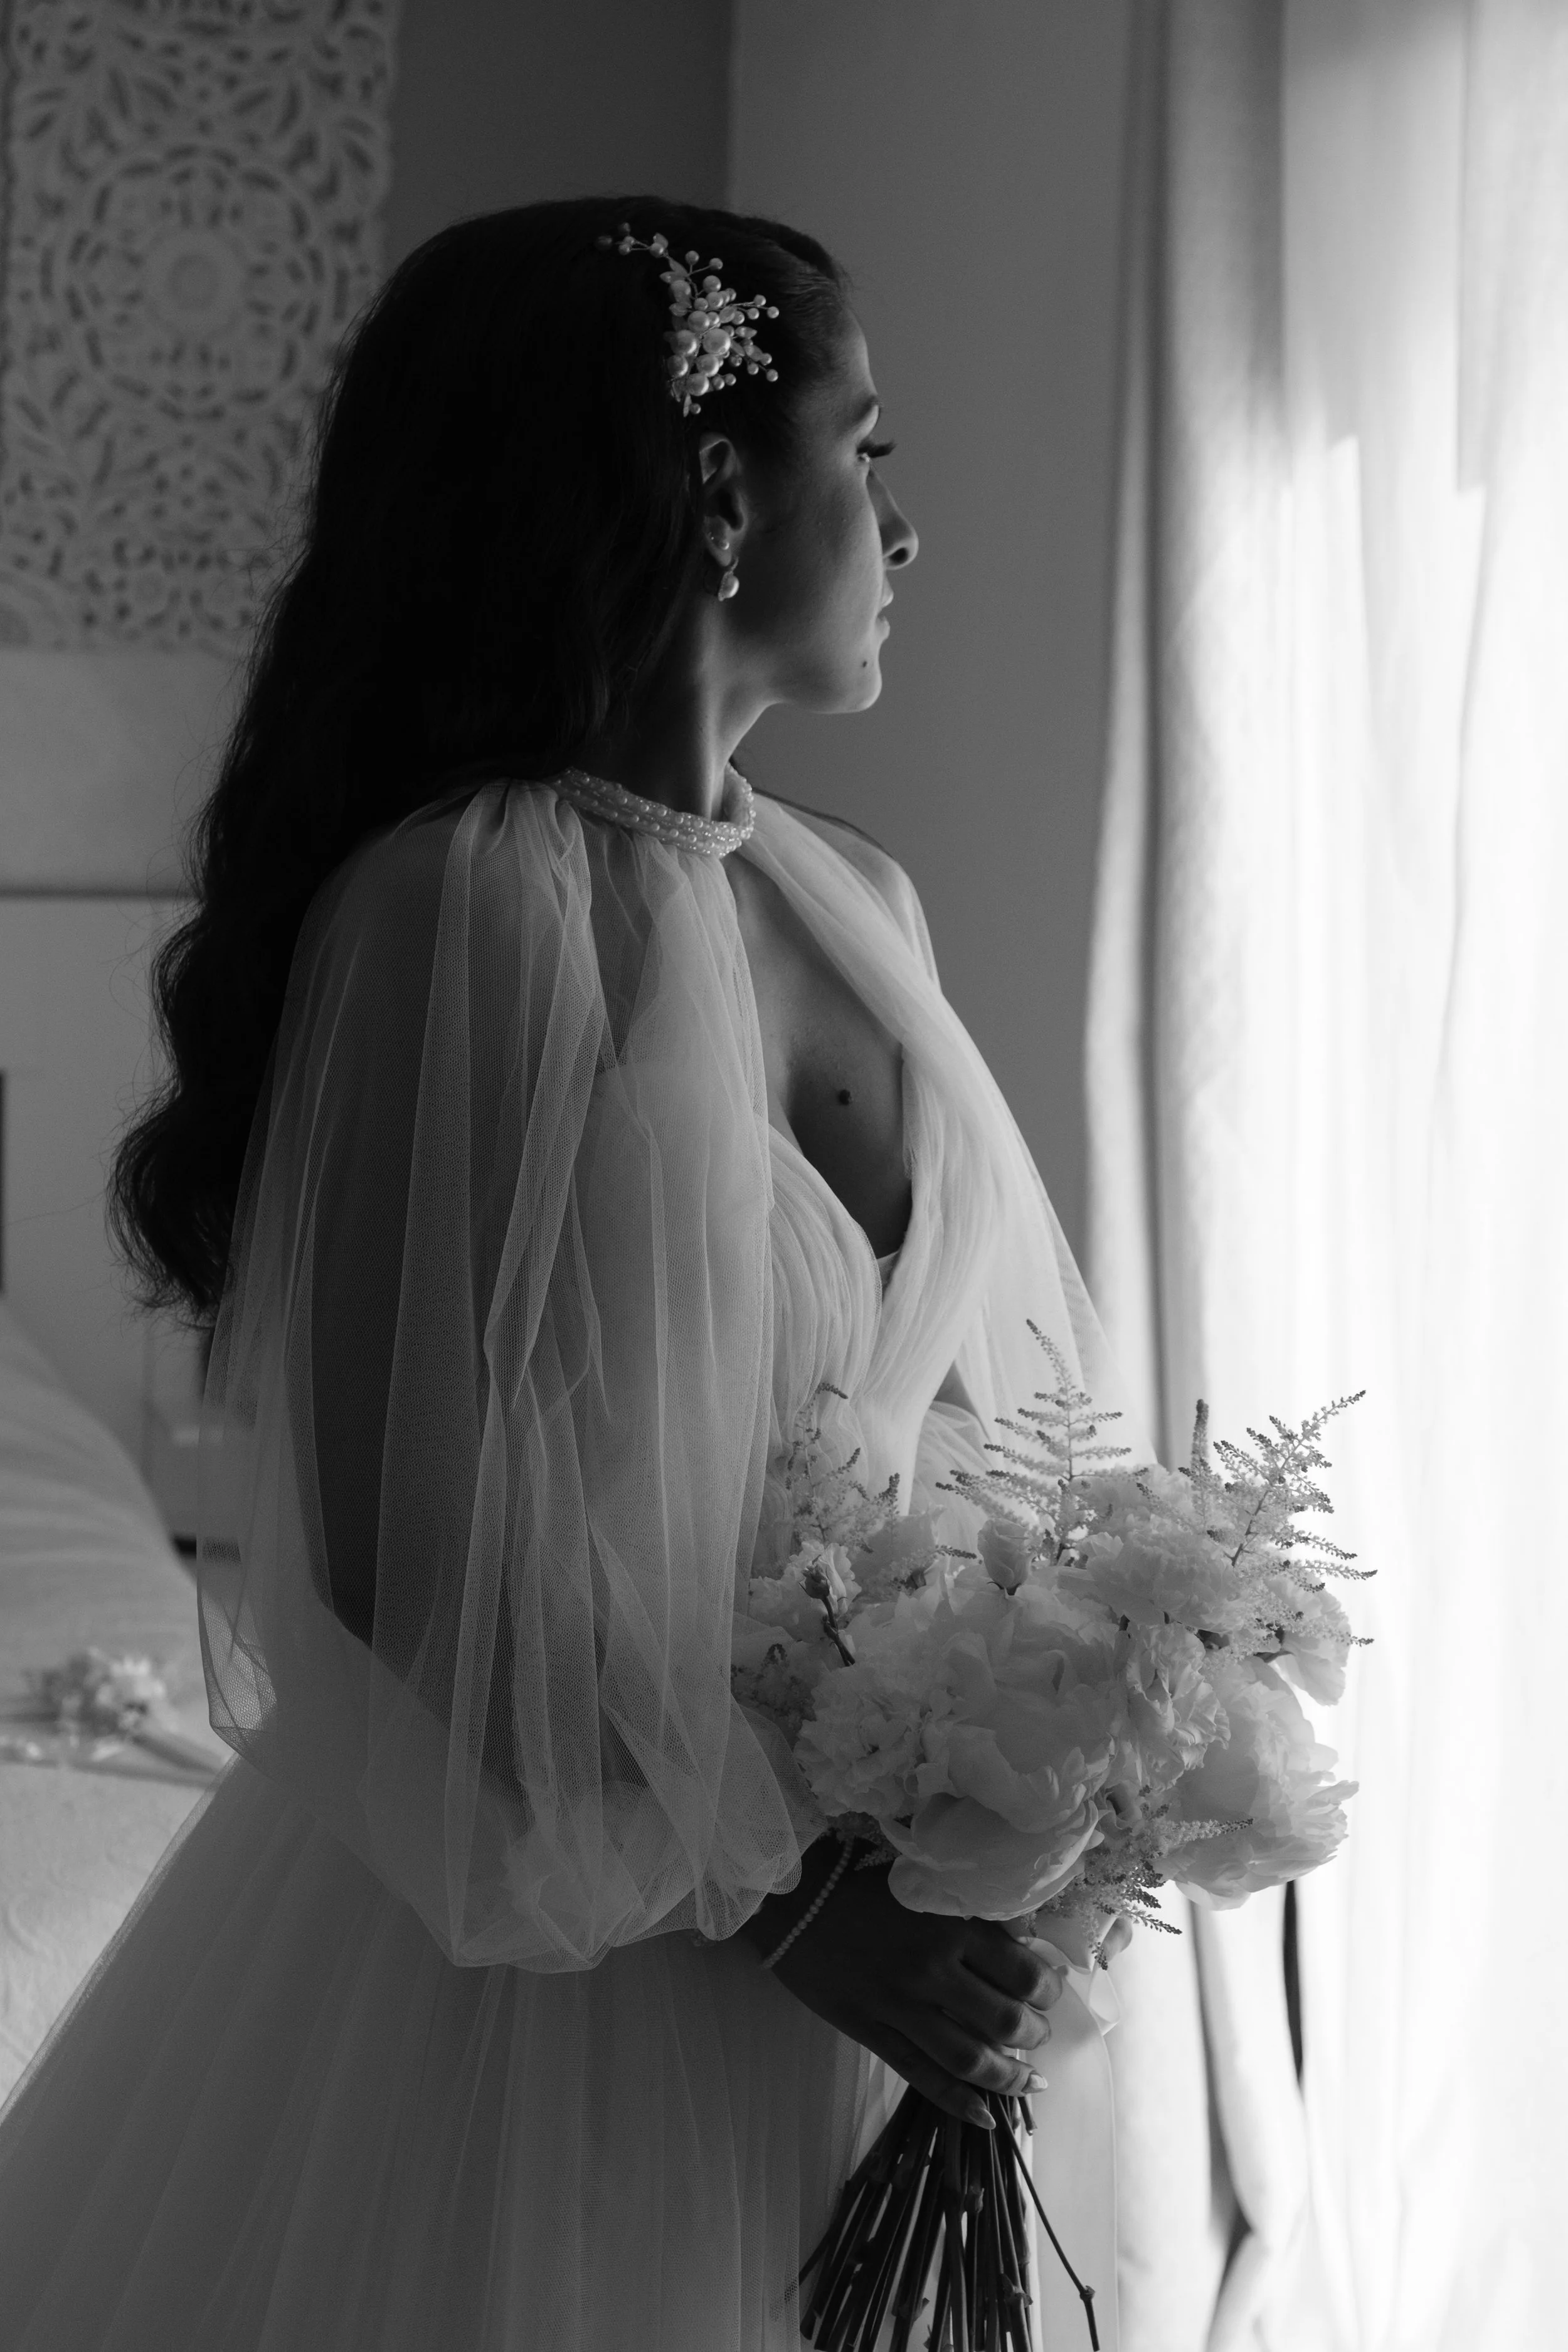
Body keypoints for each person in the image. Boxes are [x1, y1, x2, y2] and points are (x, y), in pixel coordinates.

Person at [0, 196, 1136, 2349]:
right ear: (718, 493)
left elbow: (960, 1428)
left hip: (863, 1919)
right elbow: (408, 1560)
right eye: (865, 450)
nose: (907, 527)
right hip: (559, 1972)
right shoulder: (465, 912)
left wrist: (1049, 1749)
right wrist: (800, 1918)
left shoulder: (856, 892)